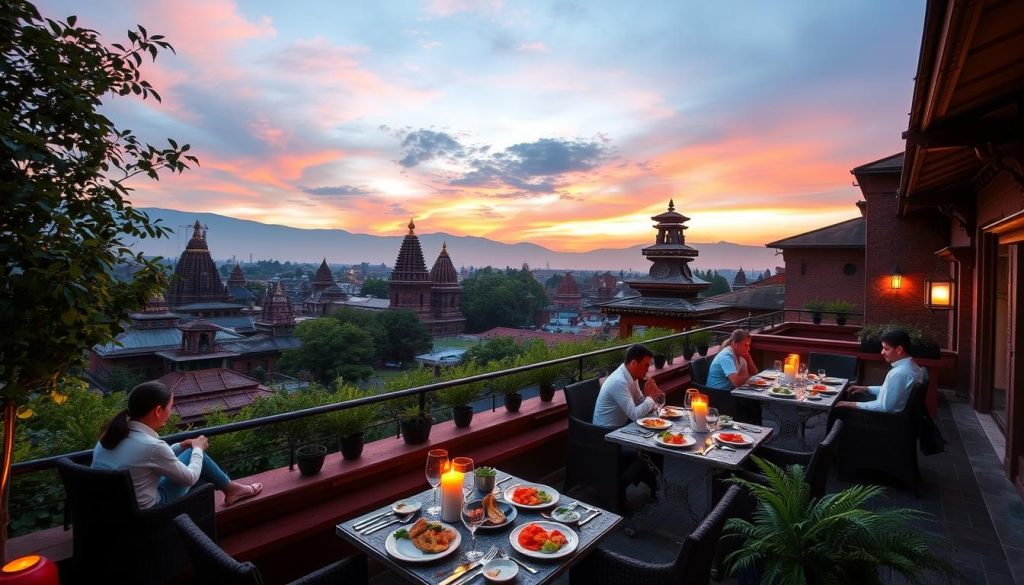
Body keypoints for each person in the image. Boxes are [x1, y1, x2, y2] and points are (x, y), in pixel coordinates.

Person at [93, 381, 263, 509]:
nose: (171, 412)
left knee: (189, 454)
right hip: (148, 511)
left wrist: (181, 446)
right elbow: (189, 477)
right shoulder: (151, 446)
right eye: (170, 407)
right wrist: (198, 449)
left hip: (112, 508)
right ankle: (232, 489)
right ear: (158, 410)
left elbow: (151, 458)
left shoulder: (111, 435)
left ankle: (231, 488)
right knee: (196, 459)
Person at [837, 329, 923, 412]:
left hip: (884, 420)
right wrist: (867, 389)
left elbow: (884, 407)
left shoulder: (900, 373)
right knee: (851, 395)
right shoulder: (912, 366)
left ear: (899, 350)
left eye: (886, 349)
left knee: (839, 407)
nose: (882, 352)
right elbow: (892, 391)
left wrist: (853, 404)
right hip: (894, 415)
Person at [593, 344, 663, 427]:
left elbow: (638, 401)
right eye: (646, 365)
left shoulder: (632, 375)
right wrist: (651, 397)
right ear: (634, 363)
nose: (648, 370)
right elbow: (634, 415)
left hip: (622, 427)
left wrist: (649, 396)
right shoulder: (619, 382)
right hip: (605, 432)